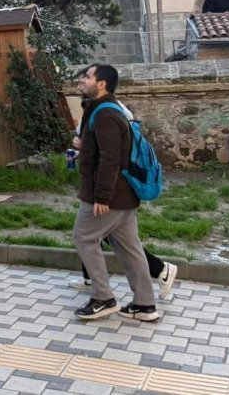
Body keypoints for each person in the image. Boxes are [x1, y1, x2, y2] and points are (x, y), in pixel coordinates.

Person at [68, 70, 178, 299]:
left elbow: (111, 156)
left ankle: (104, 296)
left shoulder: (106, 112)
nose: (79, 83)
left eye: (85, 78)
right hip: (112, 188)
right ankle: (144, 303)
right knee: (121, 242)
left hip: (112, 189)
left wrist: (102, 196)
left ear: (101, 84)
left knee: (86, 236)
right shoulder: (95, 108)